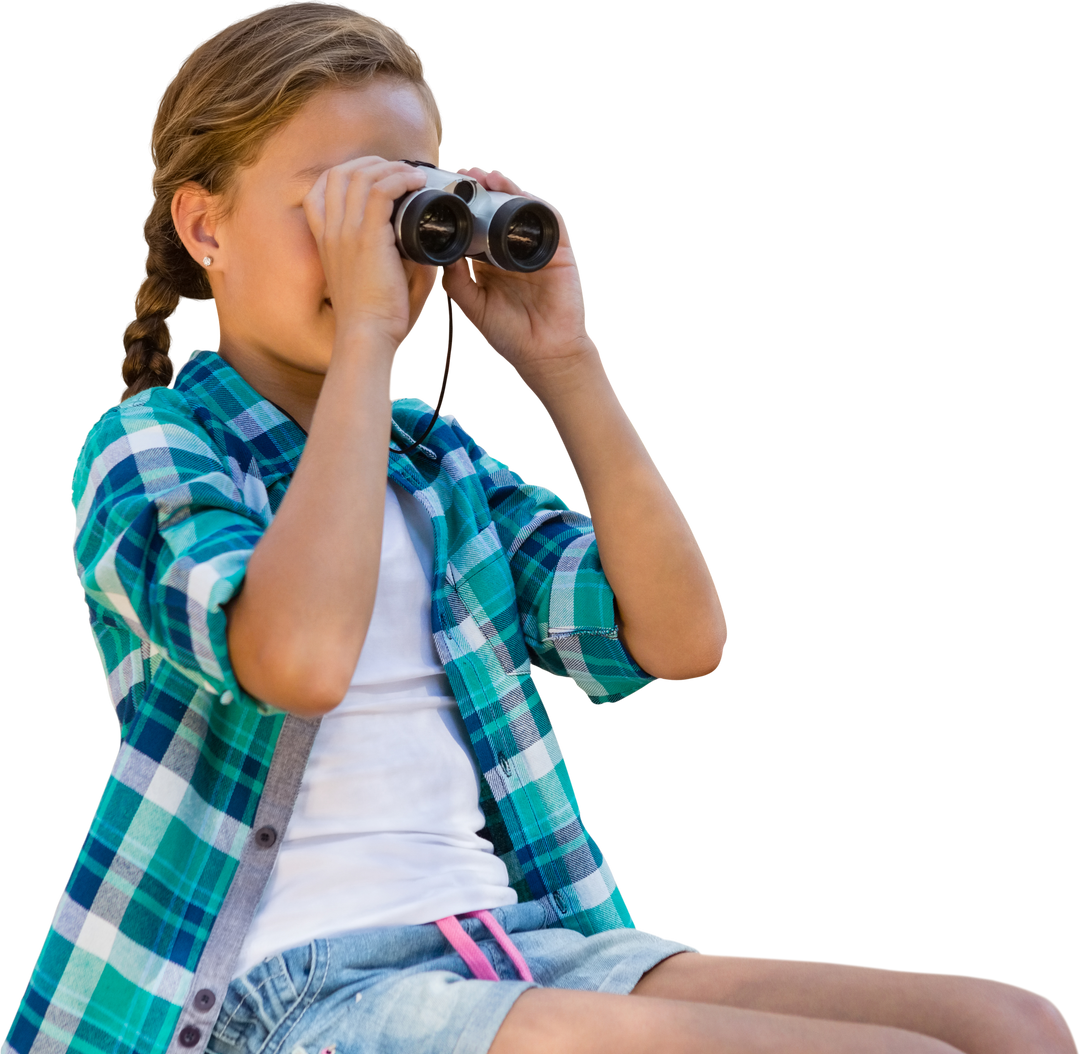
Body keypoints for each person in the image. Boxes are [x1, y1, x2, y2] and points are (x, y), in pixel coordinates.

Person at [5, 4, 1073, 1054]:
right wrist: (370, 334)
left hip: (515, 946)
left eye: (405, 207)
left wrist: (564, 359)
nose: (374, 251)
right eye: (334, 206)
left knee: (1013, 1024)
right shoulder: (149, 446)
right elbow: (298, 658)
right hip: (290, 987)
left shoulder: (435, 463)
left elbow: (677, 639)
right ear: (205, 227)